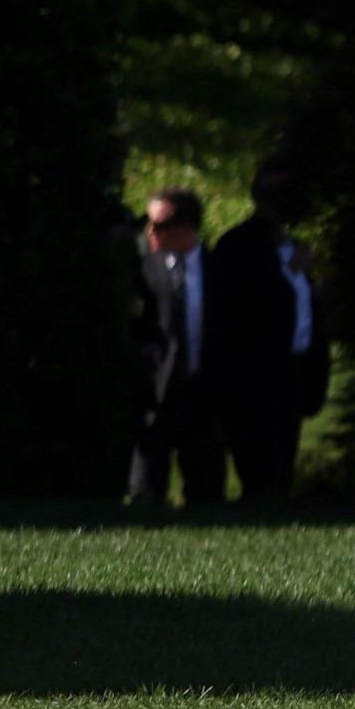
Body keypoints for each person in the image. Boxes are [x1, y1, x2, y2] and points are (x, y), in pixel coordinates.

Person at [204, 164, 329, 503]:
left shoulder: (293, 246)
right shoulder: (239, 246)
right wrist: (290, 274)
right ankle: (258, 501)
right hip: (254, 366)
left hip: (294, 364)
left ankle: (278, 500)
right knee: (257, 449)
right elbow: (240, 303)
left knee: (285, 445)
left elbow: (306, 307)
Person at [128, 187, 226, 508]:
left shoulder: (218, 269)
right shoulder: (142, 269)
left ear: (186, 227)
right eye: (149, 223)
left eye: (160, 225)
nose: (151, 233)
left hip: (204, 386)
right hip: (156, 388)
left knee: (206, 485)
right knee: (147, 485)